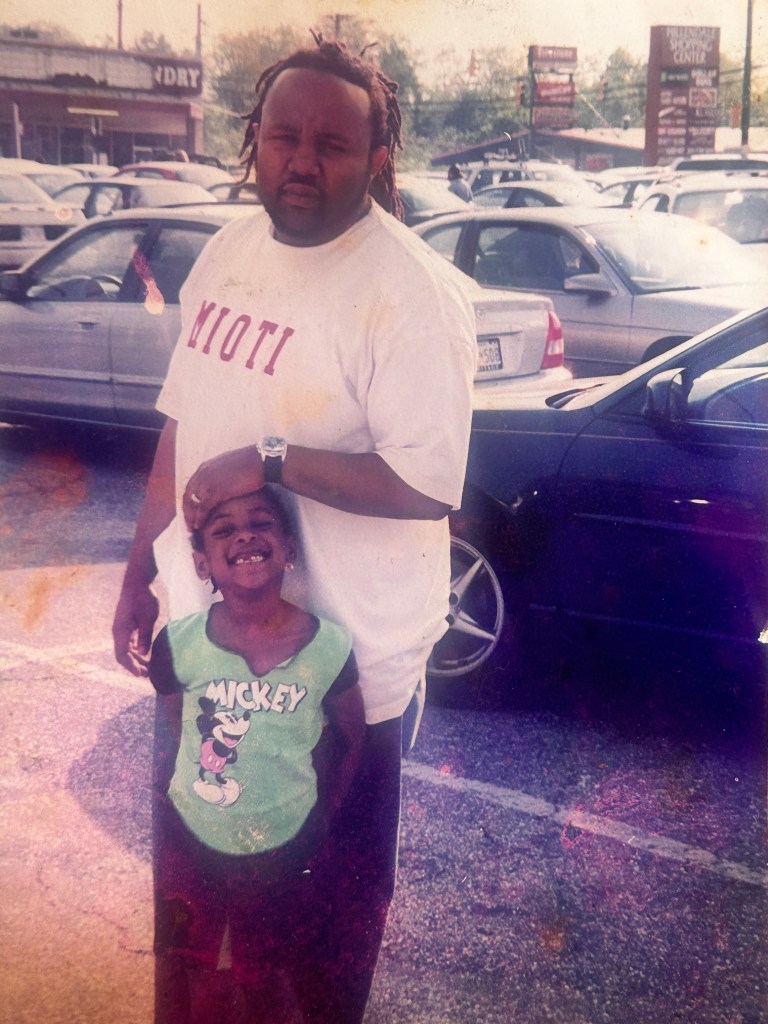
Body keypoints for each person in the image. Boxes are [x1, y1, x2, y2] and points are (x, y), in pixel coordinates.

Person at [113, 37, 477, 1023]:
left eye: (332, 143)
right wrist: (141, 571)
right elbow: (182, 422)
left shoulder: (409, 293)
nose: (302, 161)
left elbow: (426, 482)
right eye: (283, 137)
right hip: (207, 657)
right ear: (254, 142)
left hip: (339, 681)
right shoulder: (229, 253)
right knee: (195, 946)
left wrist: (271, 459)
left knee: (313, 963)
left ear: (377, 159)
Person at [149, 486, 364, 1022]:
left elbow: (350, 738)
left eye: (261, 524)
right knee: (200, 976)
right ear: (202, 563)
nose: (244, 535)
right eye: (224, 530)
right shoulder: (178, 644)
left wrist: (313, 815)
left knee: (270, 976)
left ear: (289, 548)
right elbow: (174, 730)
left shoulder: (329, 648)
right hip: (193, 839)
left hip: (284, 846)